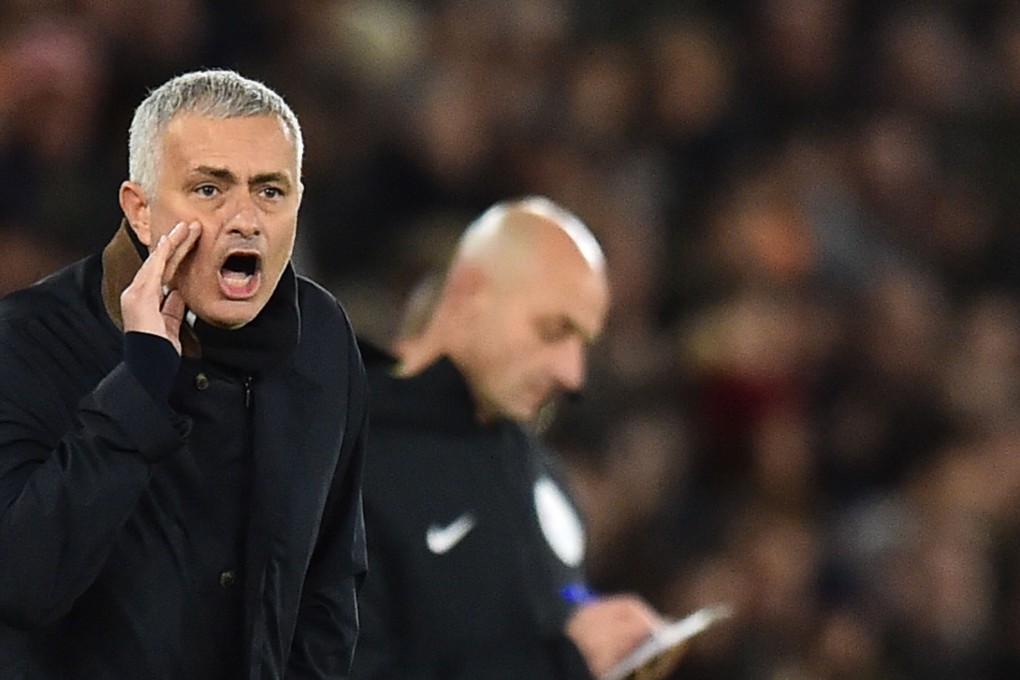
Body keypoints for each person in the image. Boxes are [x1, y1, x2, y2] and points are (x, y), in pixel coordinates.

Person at [0, 69, 368, 679]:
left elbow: (329, 588)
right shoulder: (26, 342)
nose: (245, 218)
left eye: (270, 192)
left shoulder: (323, 341)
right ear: (140, 212)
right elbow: (22, 584)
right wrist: (140, 381)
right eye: (209, 190)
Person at [351, 197, 666, 680]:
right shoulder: (351, 461)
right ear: (469, 292)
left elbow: (561, 609)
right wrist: (565, 665)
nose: (572, 374)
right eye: (553, 330)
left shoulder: (540, 472)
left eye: (583, 341)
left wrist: (612, 646)